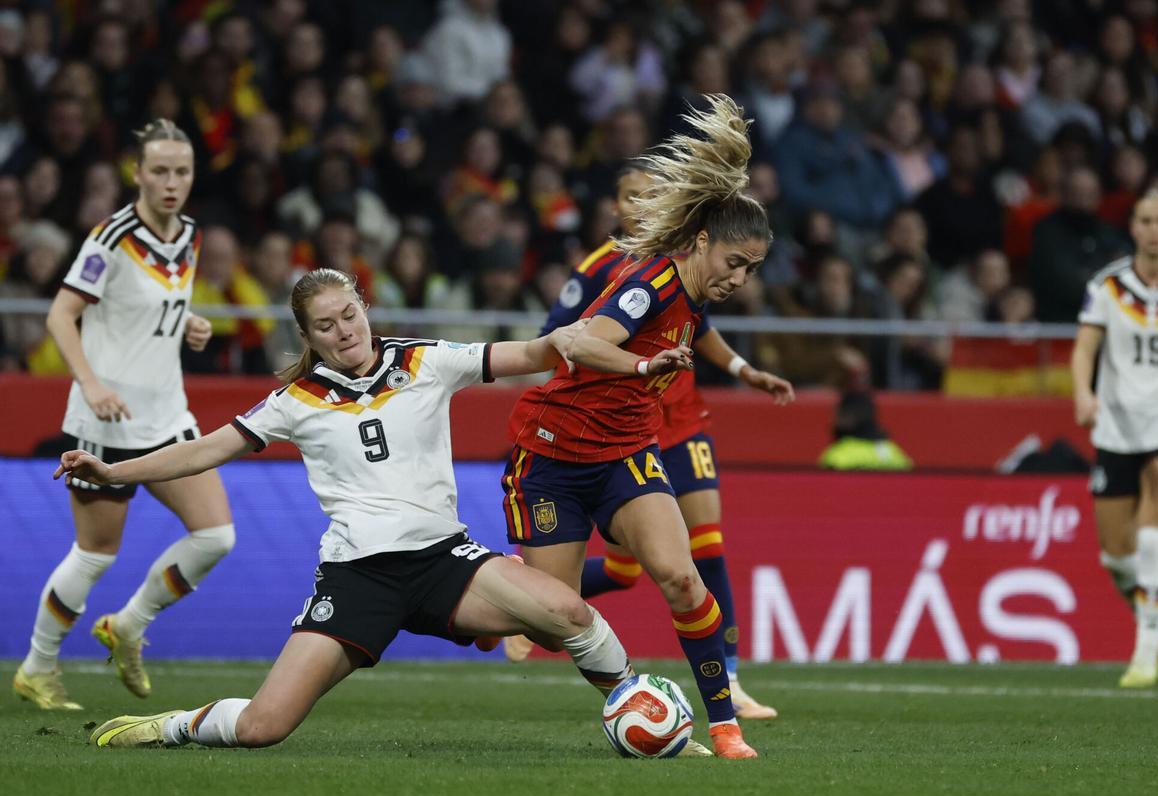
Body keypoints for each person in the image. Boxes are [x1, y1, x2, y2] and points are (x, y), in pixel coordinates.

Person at [70, 268, 637, 749]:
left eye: (349, 315)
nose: (344, 331)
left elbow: (532, 353)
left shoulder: (426, 361)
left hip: (444, 562)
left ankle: (642, 711)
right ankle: (169, 727)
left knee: (571, 617)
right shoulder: (294, 402)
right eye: (325, 325)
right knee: (263, 727)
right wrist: (114, 471)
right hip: (359, 576)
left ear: (364, 307)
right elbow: (204, 450)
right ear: (306, 336)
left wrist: (566, 338)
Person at [501, 95, 773, 759]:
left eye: (752, 270)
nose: (740, 279)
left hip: (625, 453)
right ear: (702, 242)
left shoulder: (694, 295)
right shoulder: (647, 283)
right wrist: (645, 361)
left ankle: (723, 726)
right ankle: (491, 598)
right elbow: (581, 341)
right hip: (552, 458)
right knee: (558, 614)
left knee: (683, 579)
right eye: (735, 263)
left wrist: (738, 368)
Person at [13, 119, 235, 711]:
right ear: (135, 173)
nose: (171, 183)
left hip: (168, 415)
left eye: (181, 172)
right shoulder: (110, 237)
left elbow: (156, 304)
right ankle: (36, 667)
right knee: (95, 553)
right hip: (105, 423)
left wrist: (187, 323)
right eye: (159, 171)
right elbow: (61, 316)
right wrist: (91, 385)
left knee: (216, 535)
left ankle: (128, 626)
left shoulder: (188, 234)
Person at [1071, 190, 1158, 688]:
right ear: (1133, 226)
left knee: (1150, 540)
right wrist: (1083, 394)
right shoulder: (1107, 286)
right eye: (1145, 220)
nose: (1154, 229)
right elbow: (1085, 349)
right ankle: (1155, 615)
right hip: (1117, 428)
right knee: (1115, 556)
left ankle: (1145, 654)